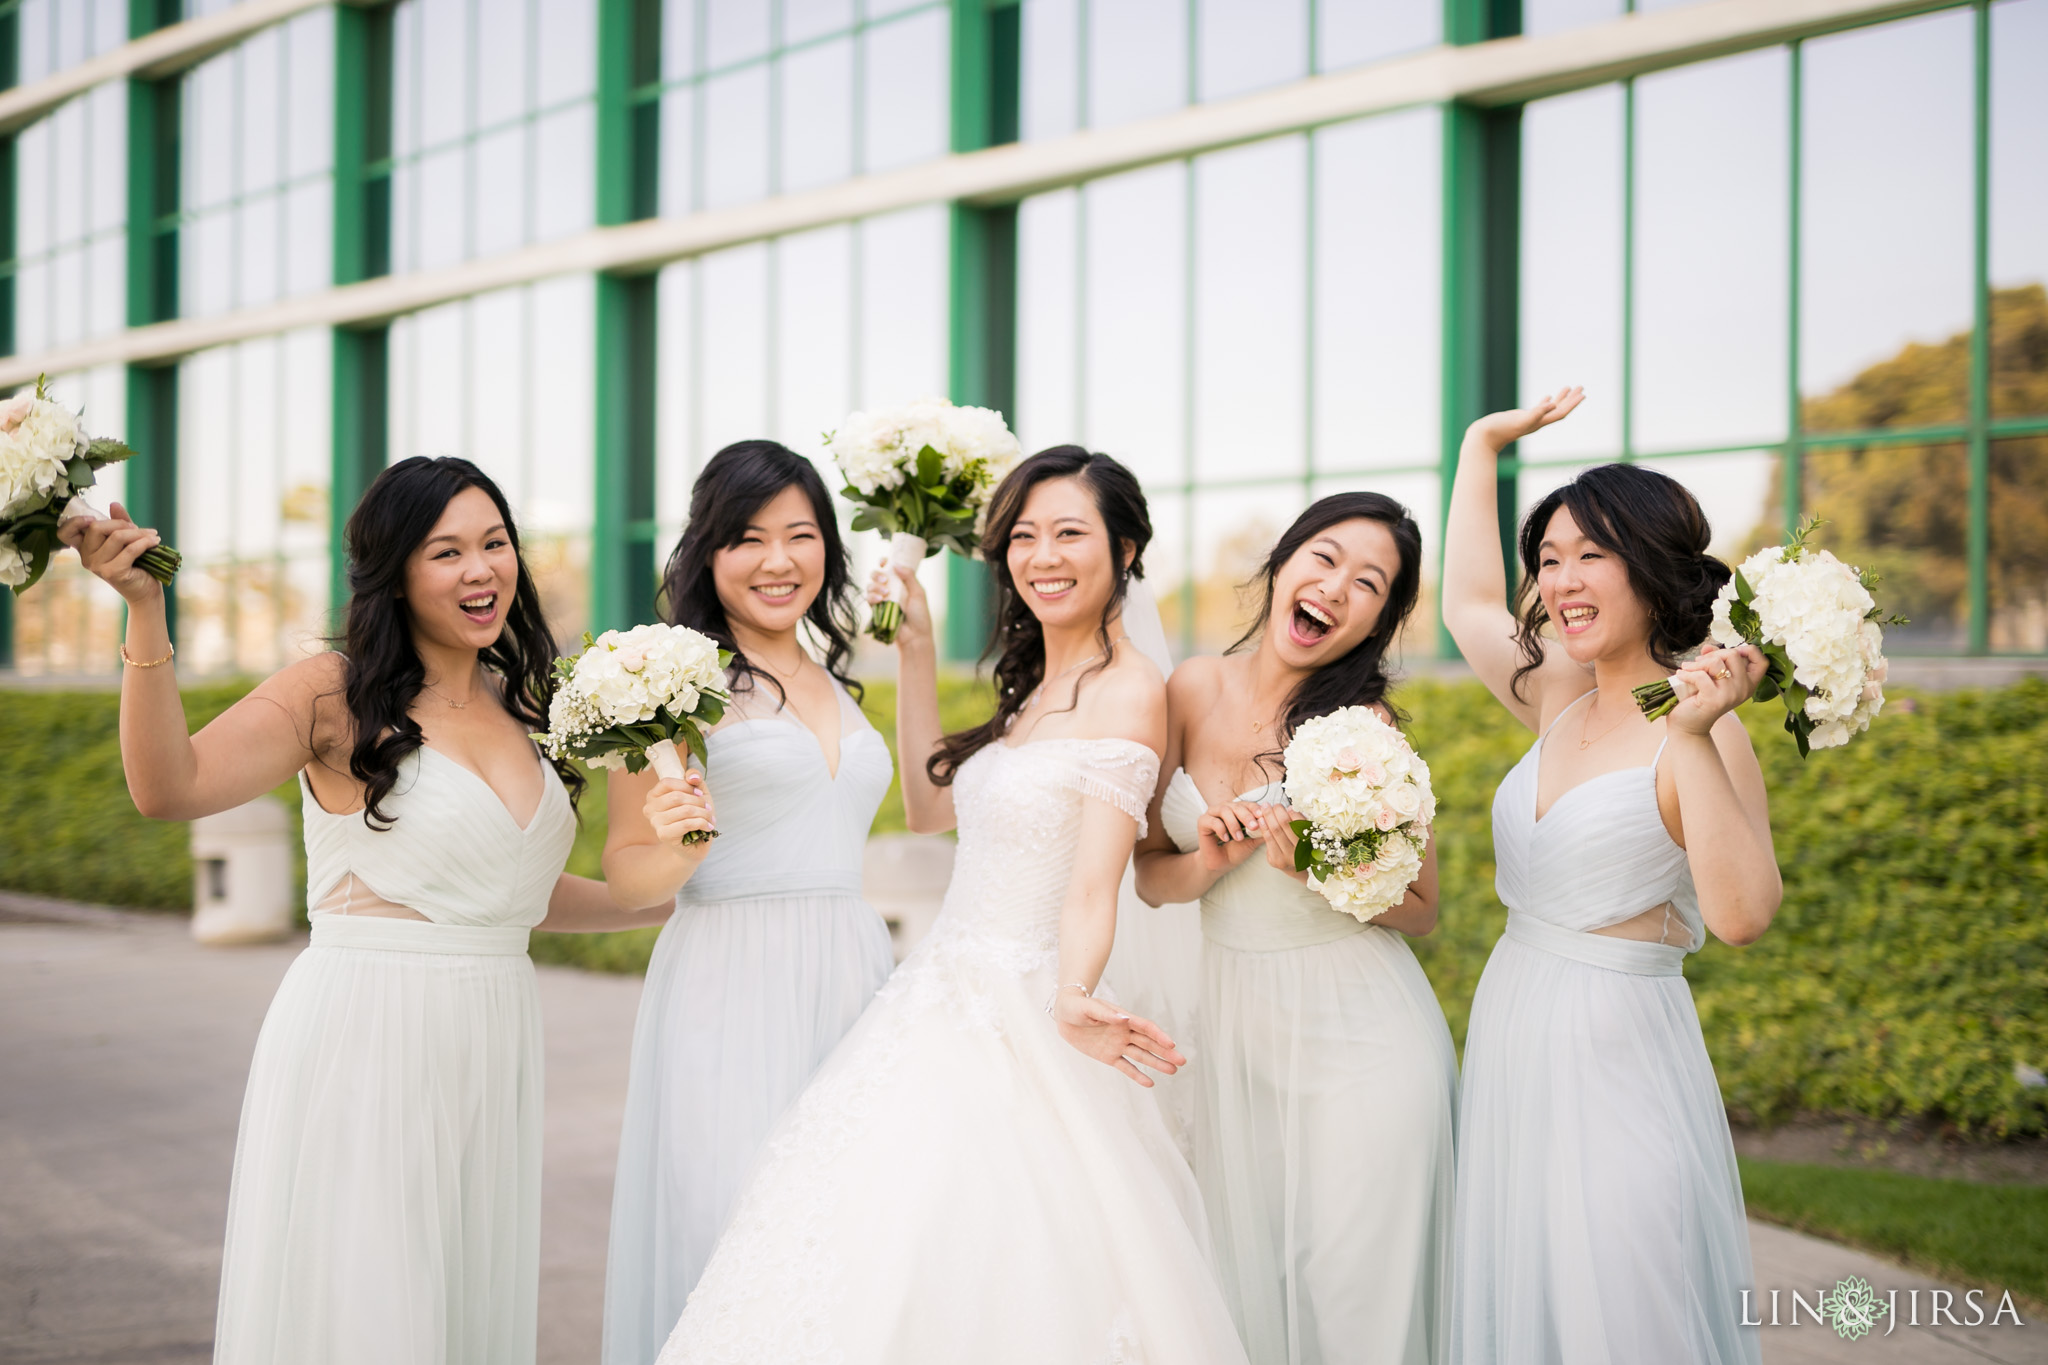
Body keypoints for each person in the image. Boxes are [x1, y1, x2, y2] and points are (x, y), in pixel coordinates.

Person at [60, 457, 697, 1365]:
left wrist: (673, 901)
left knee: (458, 1308)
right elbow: (170, 786)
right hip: (368, 1032)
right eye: (447, 551)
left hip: (493, 1040)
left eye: (495, 542)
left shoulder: (534, 703)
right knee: (370, 1311)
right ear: (395, 570)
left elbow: (508, 896)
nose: (482, 569)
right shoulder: (332, 688)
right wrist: (145, 614)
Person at [653, 447, 1249, 1365]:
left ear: (1126, 550)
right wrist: (918, 649)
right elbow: (935, 810)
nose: (1041, 555)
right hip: (931, 991)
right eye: (1024, 536)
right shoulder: (1034, 692)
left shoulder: (1131, 689)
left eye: (1069, 534)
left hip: (1024, 1005)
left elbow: (1096, 883)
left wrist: (1074, 989)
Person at [1440, 390, 1778, 1365]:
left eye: (1591, 553)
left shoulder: (1702, 726)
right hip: (1511, 1032)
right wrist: (1478, 447)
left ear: (1651, 565)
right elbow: (1466, 601)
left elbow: (1743, 914)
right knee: (1531, 1287)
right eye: (1547, 560)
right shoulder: (1552, 693)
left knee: (1625, 1296)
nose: (1561, 580)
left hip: (1618, 1052)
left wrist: (1689, 733)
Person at [1134, 492, 1457, 1365]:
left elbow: (1424, 909)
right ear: (1283, 564)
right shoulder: (1190, 687)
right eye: (1324, 557)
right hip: (1241, 1037)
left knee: (1355, 1298)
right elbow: (1149, 876)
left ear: (1380, 620)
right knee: (1252, 1293)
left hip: (1362, 1039)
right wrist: (1208, 860)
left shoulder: (1365, 731)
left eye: (1370, 583)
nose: (1336, 587)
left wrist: (1322, 865)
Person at [601, 441, 897, 1364]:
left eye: (801, 535)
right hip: (730, 983)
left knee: (841, 1244)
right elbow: (626, 870)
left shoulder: (838, 681)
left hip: (854, 979)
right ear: (708, 554)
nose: (778, 560)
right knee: (733, 1232)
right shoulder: (668, 684)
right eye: (748, 538)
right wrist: (680, 843)